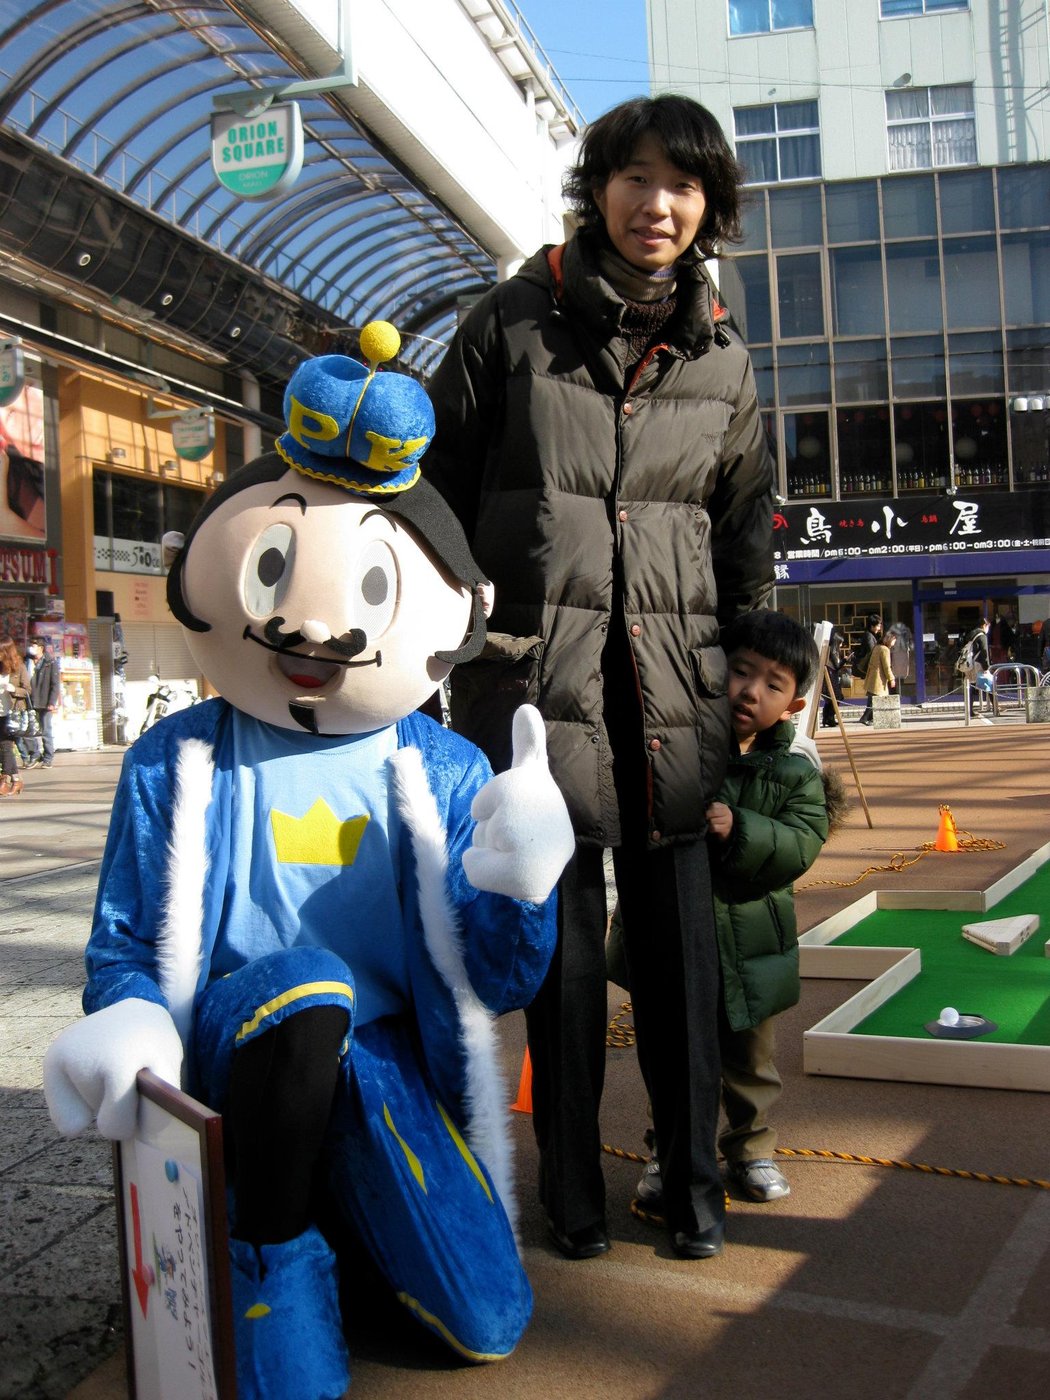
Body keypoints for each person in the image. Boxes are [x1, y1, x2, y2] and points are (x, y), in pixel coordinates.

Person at [42, 340, 574, 1399]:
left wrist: (522, 886)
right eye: (269, 569)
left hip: (382, 1067)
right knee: (305, 988)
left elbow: (497, 980)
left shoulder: (441, 765)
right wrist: (135, 1018)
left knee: (488, 1317)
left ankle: (347, 1226)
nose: (306, 625)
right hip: (246, 1036)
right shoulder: (179, 757)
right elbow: (125, 939)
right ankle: (269, 1256)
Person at [424, 94, 775, 1262]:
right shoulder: (510, 324)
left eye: (682, 185)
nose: (656, 203)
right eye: (634, 176)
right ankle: (571, 1199)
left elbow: (744, 531)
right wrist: (463, 643)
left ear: (709, 206)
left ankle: (693, 1188)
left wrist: (762, 661)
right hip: (536, 690)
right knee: (563, 964)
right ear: (597, 189)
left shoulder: (724, 355)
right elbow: (435, 493)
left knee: (680, 965)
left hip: (674, 692)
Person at [619, 610, 834, 1206]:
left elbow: (801, 843)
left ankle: (752, 1149)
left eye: (774, 684)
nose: (751, 691)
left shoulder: (793, 769)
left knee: (750, 1059)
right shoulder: (677, 741)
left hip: (751, 943)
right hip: (676, 933)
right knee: (672, 1050)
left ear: (793, 704)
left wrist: (741, 827)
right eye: (741, 672)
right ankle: (671, 1148)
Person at [0, 635, 32, 788]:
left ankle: (5, 779)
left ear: (7, 651)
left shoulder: (19, 667)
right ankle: (16, 780)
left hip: (11, 713)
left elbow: (27, 690)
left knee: (6, 745)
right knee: (5, 746)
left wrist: (12, 689)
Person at [26, 637, 60, 767]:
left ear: (41, 648)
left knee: (46, 730)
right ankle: (34, 754)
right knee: (30, 731)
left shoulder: (50, 662)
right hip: (29, 700)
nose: (31, 648)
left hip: (44, 701)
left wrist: (52, 701)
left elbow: (55, 684)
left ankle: (48, 757)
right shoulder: (27, 661)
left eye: (34, 646)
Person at [860, 628, 896, 725]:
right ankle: (865, 718)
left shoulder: (877, 647)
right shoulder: (885, 650)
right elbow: (886, 666)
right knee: (875, 699)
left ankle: (870, 718)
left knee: (872, 699)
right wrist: (891, 679)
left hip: (873, 676)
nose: (894, 643)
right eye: (893, 640)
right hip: (878, 679)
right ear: (889, 639)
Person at [821, 626, 847, 728]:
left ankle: (827, 718)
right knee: (837, 697)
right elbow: (837, 666)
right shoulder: (832, 651)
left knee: (831, 699)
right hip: (831, 678)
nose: (841, 645)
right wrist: (845, 660)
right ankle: (829, 717)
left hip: (831, 677)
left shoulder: (829, 650)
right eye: (840, 643)